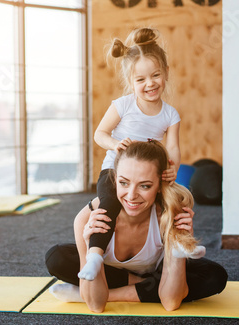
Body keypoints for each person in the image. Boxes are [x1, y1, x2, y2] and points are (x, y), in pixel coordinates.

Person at [45, 140, 227, 313]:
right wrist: (88, 243)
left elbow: (170, 302)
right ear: (115, 179)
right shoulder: (89, 217)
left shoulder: (169, 214)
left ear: (159, 185)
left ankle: (107, 294)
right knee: (58, 258)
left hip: (154, 272)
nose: (131, 196)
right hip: (116, 274)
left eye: (145, 186)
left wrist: (180, 244)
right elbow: (95, 305)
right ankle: (144, 285)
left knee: (215, 276)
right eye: (124, 183)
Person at [81, 27, 182, 281]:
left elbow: (173, 148)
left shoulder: (170, 114)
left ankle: (180, 247)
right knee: (109, 206)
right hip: (115, 173)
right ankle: (94, 254)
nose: (150, 84)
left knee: (177, 203)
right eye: (140, 80)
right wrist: (115, 144)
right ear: (131, 82)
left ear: (166, 73)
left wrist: (173, 168)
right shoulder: (123, 105)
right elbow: (99, 134)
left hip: (149, 175)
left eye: (156, 75)